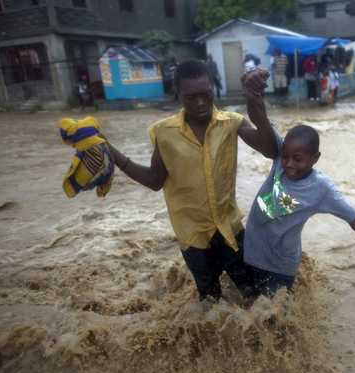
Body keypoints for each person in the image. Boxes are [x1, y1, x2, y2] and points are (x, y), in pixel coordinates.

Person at [106, 60, 278, 301]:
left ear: (213, 89)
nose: (200, 103)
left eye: (205, 95)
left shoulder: (232, 123)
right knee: (210, 300)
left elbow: (270, 150)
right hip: (192, 236)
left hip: (230, 228)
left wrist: (255, 100)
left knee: (252, 294)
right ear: (178, 95)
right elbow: (155, 180)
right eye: (191, 97)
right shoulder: (163, 132)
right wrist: (114, 155)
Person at [241, 71, 355, 296]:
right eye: (286, 156)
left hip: (279, 267)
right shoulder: (280, 156)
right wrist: (253, 93)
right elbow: (258, 117)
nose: (289, 164)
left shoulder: (321, 189)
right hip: (251, 254)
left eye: (298, 159)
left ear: (315, 158)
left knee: (272, 321)